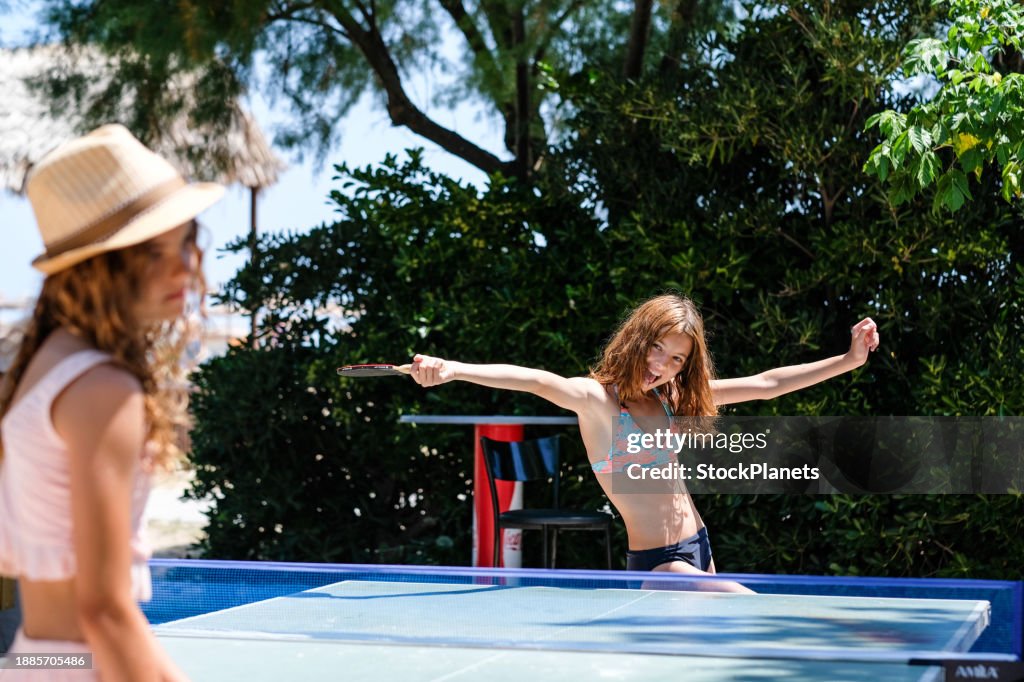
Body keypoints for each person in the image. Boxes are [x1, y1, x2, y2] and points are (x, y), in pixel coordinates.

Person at [409, 294, 879, 589]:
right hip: (659, 566)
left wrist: (849, 360)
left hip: (700, 545)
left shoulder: (674, 398)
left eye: (677, 358)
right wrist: (453, 369)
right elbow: (535, 380)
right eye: (658, 348)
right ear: (637, 339)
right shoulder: (599, 403)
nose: (664, 364)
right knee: (749, 609)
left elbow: (767, 383)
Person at [0, 124, 224, 680]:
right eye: (150, 252)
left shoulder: (43, 363)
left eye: (185, 241)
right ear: (96, 269)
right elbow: (104, 611)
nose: (182, 268)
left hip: (39, 657)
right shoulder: (104, 389)